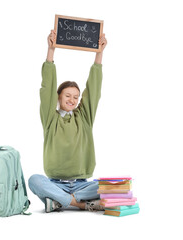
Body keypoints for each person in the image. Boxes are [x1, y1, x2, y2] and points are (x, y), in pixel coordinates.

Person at [28, 30, 107, 213]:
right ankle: (79, 204)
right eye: (68, 96)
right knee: (34, 180)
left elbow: (93, 90)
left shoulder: (84, 118)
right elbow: (46, 89)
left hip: (82, 185)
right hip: (56, 184)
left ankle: (58, 203)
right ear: (59, 97)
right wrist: (51, 51)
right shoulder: (50, 119)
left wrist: (99, 53)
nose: (72, 100)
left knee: (108, 186)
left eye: (76, 97)